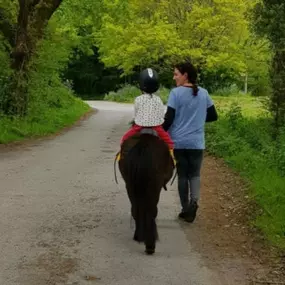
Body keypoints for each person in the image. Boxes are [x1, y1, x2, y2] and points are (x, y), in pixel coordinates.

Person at [163, 61, 218, 223]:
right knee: (194, 175)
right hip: (196, 143)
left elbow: (169, 118)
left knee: (182, 176)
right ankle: (194, 203)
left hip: (178, 142)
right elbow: (213, 116)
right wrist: (197, 118)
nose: (174, 78)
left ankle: (185, 209)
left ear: (185, 75)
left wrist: (157, 132)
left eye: (176, 74)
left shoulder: (176, 93)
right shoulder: (204, 93)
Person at [120, 68, 174, 157]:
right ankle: (172, 158)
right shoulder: (158, 99)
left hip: (139, 127)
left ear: (141, 84)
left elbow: (136, 114)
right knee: (170, 142)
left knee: (124, 139)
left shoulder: (138, 99)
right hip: (156, 127)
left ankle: (121, 155)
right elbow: (161, 115)